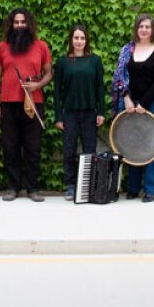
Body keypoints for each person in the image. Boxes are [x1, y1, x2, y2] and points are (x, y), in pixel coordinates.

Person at [0, 8, 52, 202]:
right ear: (11, 25)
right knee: (10, 147)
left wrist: (38, 84)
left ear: (29, 24)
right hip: (8, 103)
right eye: (16, 22)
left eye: (23, 22)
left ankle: (33, 188)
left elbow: (49, 73)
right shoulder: (2, 47)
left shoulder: (41, 46)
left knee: (33, 147)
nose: (19, 26)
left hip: (33, 103)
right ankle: (13, 187)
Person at [111, 14, 154, 202]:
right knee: (130, 144)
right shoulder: (127, 50)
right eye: (141, 26)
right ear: (136, 28)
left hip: (153, 104)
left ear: (153, 30)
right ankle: (133, 188)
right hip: (129, 105)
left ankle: (152, 188)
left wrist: (144, 103)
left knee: (152, 145)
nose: (144, 30)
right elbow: (120, 77)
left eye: (148, 27)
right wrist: (127, 98)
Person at [54, 25, 105, 201]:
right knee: (69, 150)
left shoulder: (95, 61)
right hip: (69, 114)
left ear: (86, 41)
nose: (79, 41)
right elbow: (57, 92)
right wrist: (58, 116)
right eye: (76, 38)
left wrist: (101, 112)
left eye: (82, 38)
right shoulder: (62, 62)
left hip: (90, 112)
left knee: (89, 150)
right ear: (71, 40)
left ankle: (88, 185)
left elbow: (100, 88)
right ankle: (70, 186)